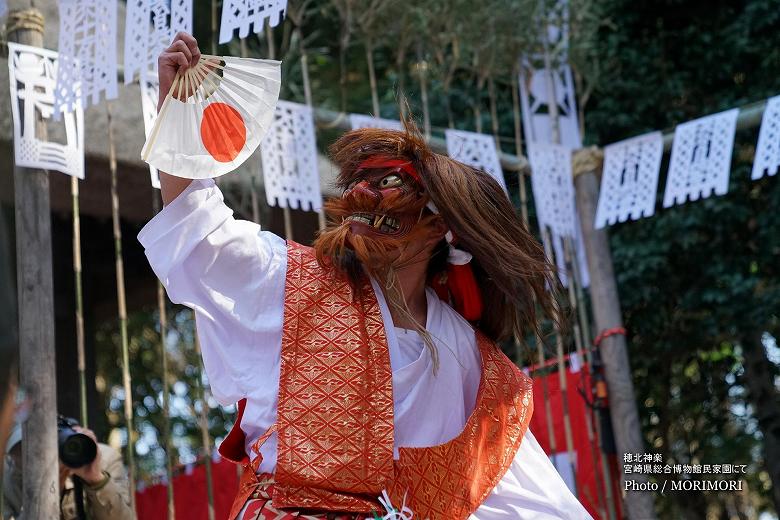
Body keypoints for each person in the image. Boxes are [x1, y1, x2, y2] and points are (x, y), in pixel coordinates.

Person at [139, 31, 593, 519]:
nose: (363, 195)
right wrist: (177, 106)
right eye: (358, 182)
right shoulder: (292, 280)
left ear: (442, 228)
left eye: (387, 186)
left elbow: (541, 505)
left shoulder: (475, 365)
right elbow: (198, 230)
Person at [2, 423, 134, 520]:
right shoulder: (6, 480)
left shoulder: (104, 458)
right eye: (22, 450)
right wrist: (46, 496)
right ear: (10, 457)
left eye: (39, 444)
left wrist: (96, 480)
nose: (34, 458)